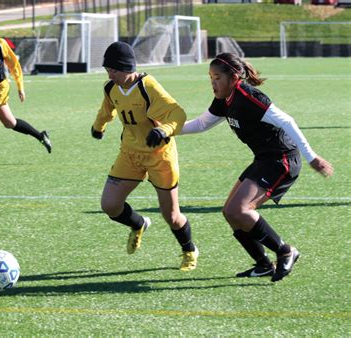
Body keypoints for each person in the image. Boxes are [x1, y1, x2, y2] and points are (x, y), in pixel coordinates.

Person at [181, 52, 333, 282]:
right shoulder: (224, 99)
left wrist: (311, 157)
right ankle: (263, 265)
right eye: (210, 78)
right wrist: (167, 130)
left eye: (217, 78)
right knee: (230, 213)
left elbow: (286, 121)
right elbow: (201, 124)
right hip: (264, 159)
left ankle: (285, 250)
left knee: (239, 210)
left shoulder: (248, 96)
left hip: (281, 159)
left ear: (233, 77)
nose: (213, 83)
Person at [91, 41, 199, 271]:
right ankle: (138, 224)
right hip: (130, 153)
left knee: (171, 215)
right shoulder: (110, 88)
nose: (110, 75)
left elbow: (177, 113)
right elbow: (106, 109)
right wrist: (98, 126)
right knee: (109, 204)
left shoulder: (148, 86)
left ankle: (189, 249)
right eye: (107, 70)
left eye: (114, 70)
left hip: (160, 156)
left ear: (128, 68)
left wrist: (163, 130)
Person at [0, 15, 51, 167]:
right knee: (10, 123)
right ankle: (41, 136)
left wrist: (20, 87)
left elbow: (15, 66)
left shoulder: (0, 43)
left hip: (1, 88)